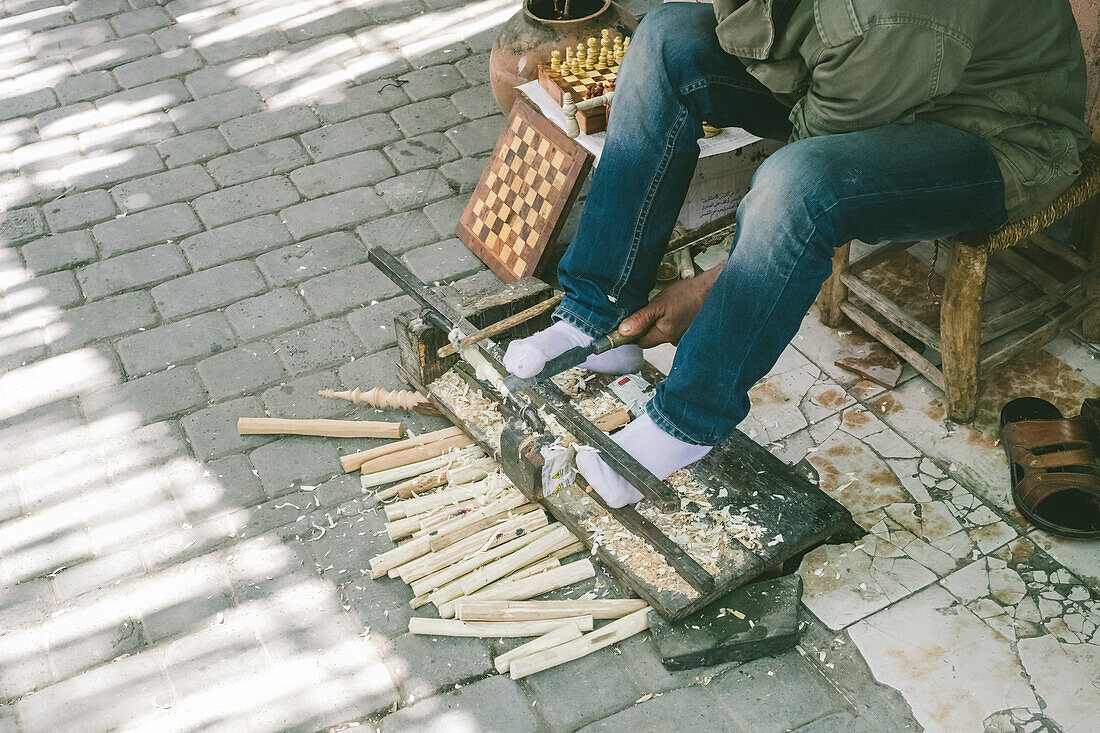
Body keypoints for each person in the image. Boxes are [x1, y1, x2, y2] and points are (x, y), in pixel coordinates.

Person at [504, 0, 1092, 507]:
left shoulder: (877, 17)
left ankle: (688, 417)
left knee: (797, 184)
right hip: (884, 75)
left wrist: (718, 284)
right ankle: (595, 313)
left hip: (995, 135)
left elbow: (814, 175)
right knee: (665, 39)